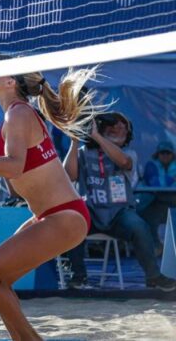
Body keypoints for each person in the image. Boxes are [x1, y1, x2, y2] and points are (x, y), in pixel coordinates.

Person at [0, 71, 98, 337]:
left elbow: (13, 168)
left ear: (11, 82)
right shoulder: (16, 113)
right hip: (55, 214)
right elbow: (17, 169)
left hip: (63, 217)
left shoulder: (18, 113)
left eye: (0, 71)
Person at [63, 112, 175, 291]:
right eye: (113, 126)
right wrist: (75, 141)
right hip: (90, 211)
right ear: (102, 129)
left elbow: (123, 162)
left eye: (123, 128)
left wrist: (98, 137)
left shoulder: (129, 153)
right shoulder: (84, 153)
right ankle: (78, 276)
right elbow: (69, 175)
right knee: (72, 222)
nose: (118, 129)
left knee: (139, 227)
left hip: (118, 214)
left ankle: (153, 277)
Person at [139, 140, 176, 245]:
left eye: (168, 153)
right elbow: (156, 185)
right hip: (155, 203)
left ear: (172, 154)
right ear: (157, 154)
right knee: (149, 214)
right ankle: (155, 246)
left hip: (174, 203)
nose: (165, 155)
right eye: (162, 153)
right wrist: (172, 179)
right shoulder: (151, 165)